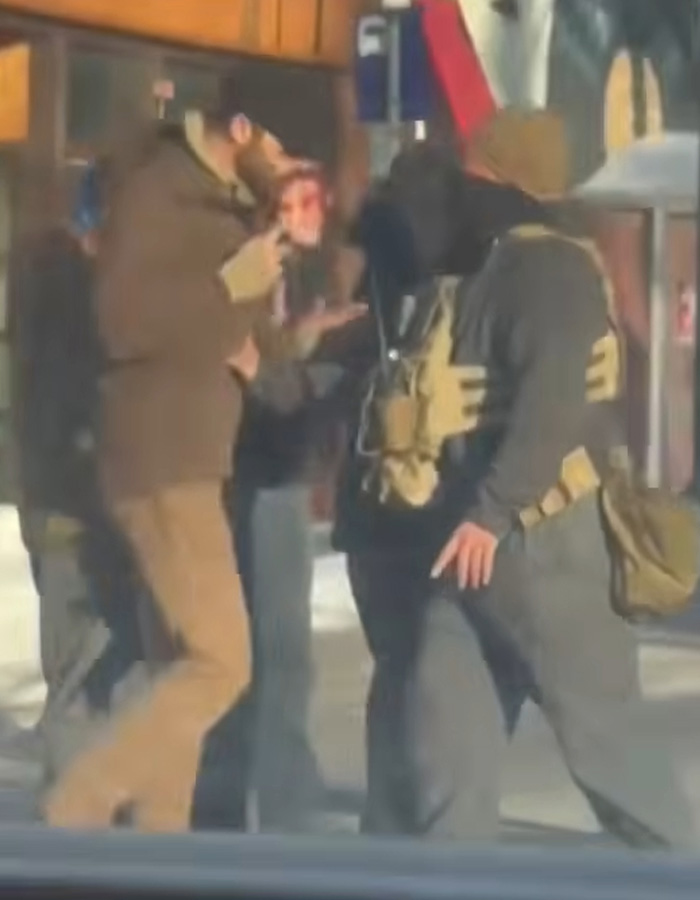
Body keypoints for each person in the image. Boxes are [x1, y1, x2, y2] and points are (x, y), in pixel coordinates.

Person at [334, 110, 695, 848]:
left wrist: (492, 512)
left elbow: (554, 397)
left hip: (543, 544)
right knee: (444, 771)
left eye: (477, 173)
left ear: (508, 177)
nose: (461, 187)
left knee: (611, 756)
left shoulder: (549, 266)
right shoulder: (473, 266)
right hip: (464, 547)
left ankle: (678, 875)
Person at [44, 84, 357, 832]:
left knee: (179, 663)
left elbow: (227, 337)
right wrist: (236, 278)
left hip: (187, 450)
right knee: (222, 663)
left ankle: (161, 841)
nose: (288, 174)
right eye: (283, 153)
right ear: (241, 129)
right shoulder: (161, 190)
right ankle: (80, 802)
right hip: (162, 457)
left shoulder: (219, 204)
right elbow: (124, 323)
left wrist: (296, 334)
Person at [9, 163, 145, 791]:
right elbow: (82, 409)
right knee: (85, 673)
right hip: (83, 512)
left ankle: (82, 815)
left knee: (81, 667)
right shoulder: (78, 295)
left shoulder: (42, 283)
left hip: (57, 509)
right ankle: (74, 830)